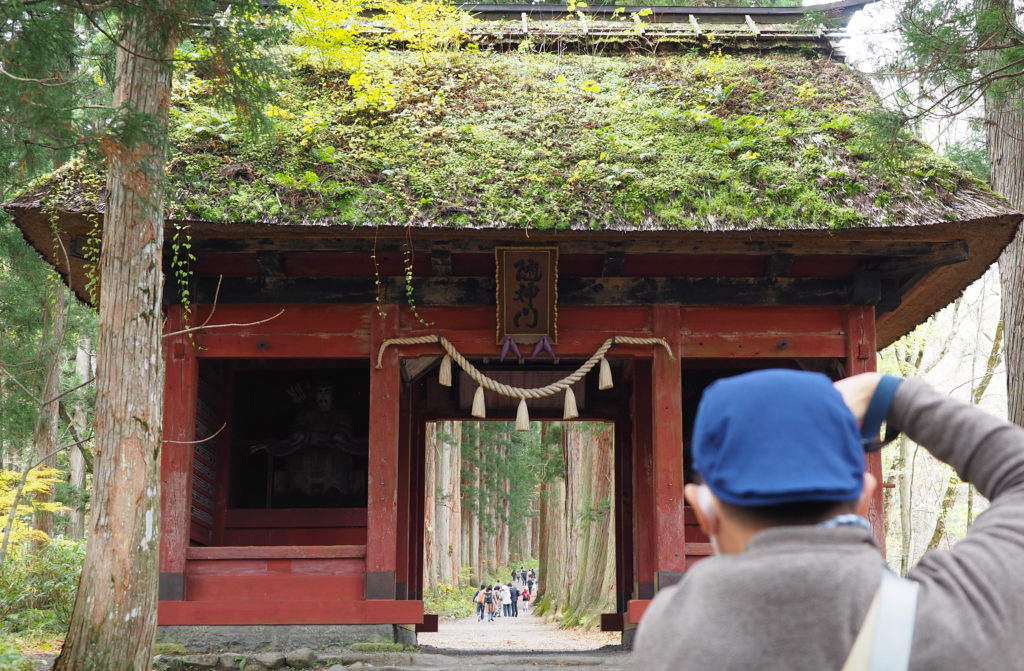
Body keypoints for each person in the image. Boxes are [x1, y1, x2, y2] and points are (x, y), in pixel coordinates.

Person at [634, 369, 1024, 670]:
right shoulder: (959, 613)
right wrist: (889, 393)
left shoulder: (667, 634)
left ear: (702, 510)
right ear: (863, 499)